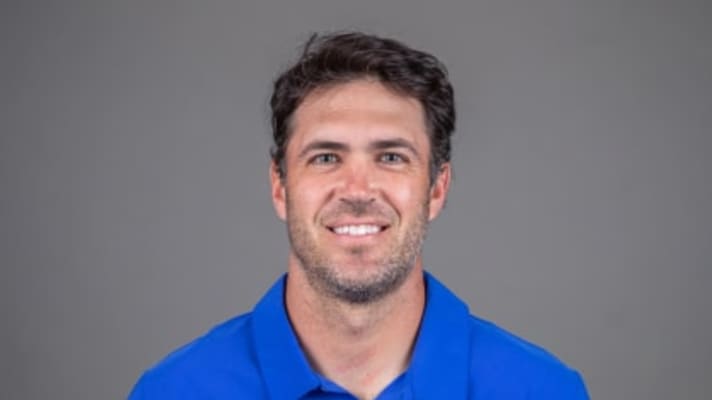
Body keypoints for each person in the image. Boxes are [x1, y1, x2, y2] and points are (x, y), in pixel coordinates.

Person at [129, 32, 589, 399]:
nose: (357, 190)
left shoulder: (542, 390)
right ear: (279, 186)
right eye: (326, 157)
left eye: (391, 157)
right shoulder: (175, 392)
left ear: (437, 188)